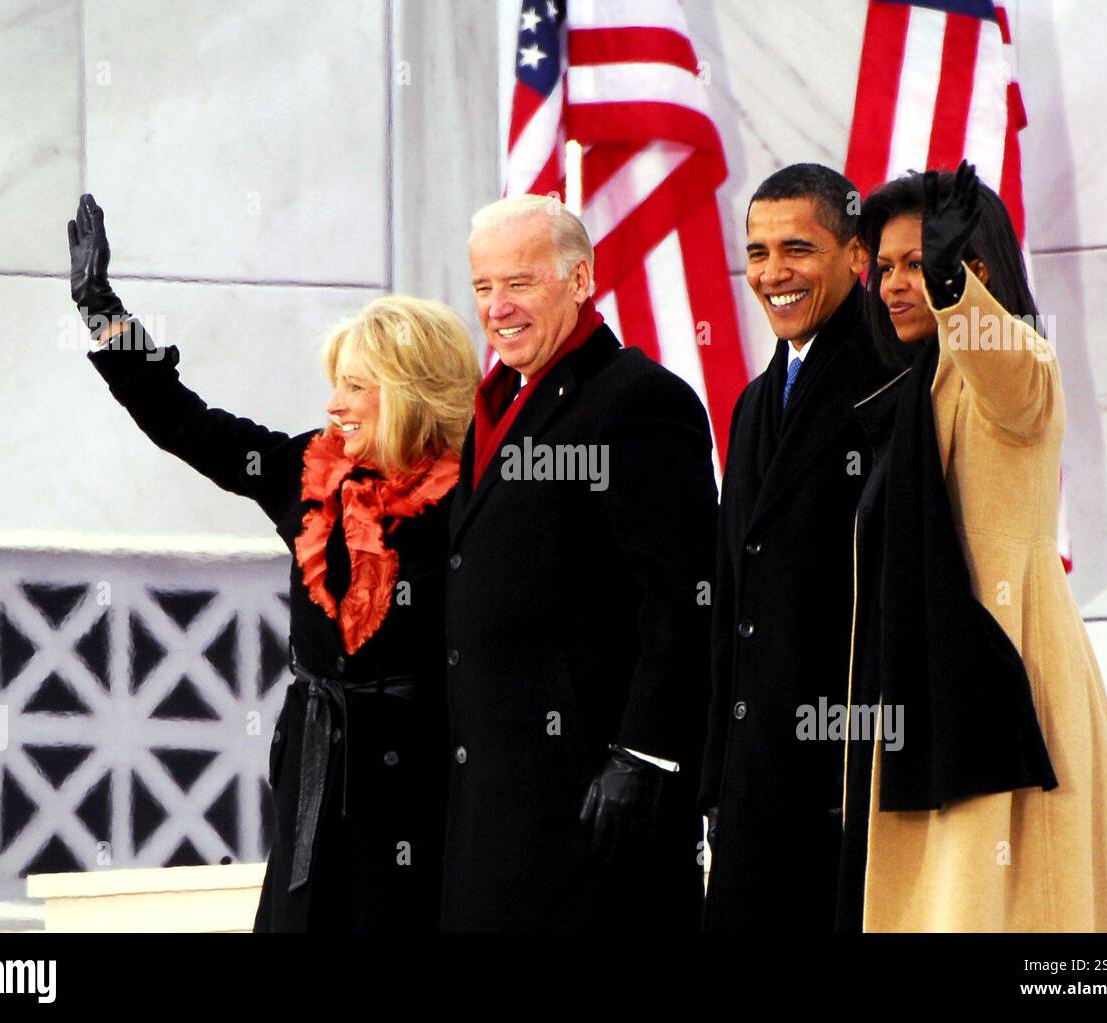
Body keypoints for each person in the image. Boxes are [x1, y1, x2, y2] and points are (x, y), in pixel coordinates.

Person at [67, 193, 480, 932]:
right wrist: (105, 316)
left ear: (414, 395)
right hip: (314, 763)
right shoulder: (303, 472)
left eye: (357, 386)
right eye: (338, 383)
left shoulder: (474, 500)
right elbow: (186, 421)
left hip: (420, 777)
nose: (335, 403)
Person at [837, 162, 1107, 931]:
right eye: (888, 267)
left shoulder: (1019, 364)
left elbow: (1005, 370)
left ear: (970, 271)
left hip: (1004, 683)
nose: (895, 283)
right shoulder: (917, 388)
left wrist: (953, 294)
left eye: (918, 264)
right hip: (930, 691)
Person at [440, 194, 716, 932]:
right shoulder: (495, 405)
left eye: (520, 283)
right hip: (494, 804)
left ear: (582, 279)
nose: (497, 307)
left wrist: (645, 755)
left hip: (591, 809)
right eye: (482, 287)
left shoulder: (638, 401)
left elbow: (683, 596)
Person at [699, 164, 892, 932]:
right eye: (757, 252)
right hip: (752, 784)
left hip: (846, 781)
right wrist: (714, 776)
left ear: (855, 257)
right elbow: (729, 596)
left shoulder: (895, 381)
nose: (773, 273)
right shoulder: (751, 402)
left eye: (797, 249)